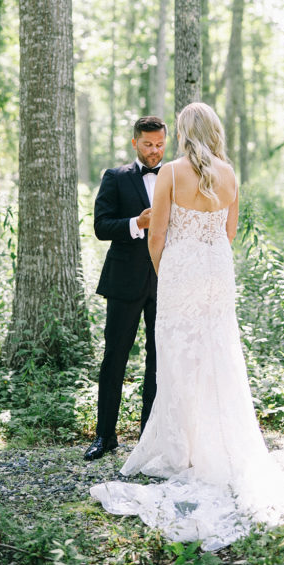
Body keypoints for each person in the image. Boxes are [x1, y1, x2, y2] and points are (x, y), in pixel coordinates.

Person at [90, 102, 284, 548]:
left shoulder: (170, 172)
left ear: (183, 132)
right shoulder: (228, 173)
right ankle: (215, 443)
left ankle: (179, 448)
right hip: (216, 270)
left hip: (182, 271)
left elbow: (158, 235)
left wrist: (168, 269)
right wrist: (206, 258)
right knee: (217, 354)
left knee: (175, 356)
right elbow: (229, 231)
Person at [83, 115, 167, 462]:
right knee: (114, 358)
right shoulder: (115, 177)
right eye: (148, 145)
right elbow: (101, 226)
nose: (154, 152)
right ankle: (105, 436)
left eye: (160, 145)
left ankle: (149, 436)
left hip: (165, 280)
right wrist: (137, 223)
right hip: (123, 281)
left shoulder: (175, 176)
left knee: (158, 361)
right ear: (135, 143)